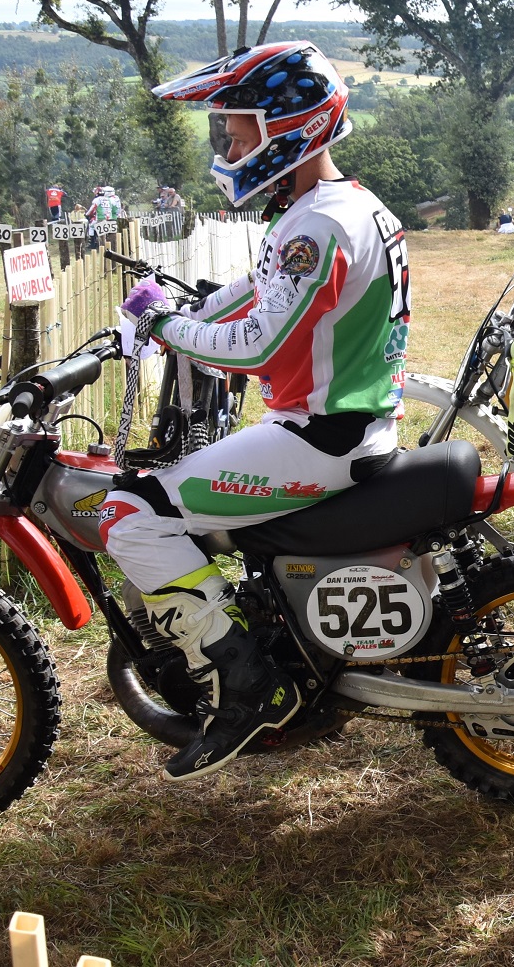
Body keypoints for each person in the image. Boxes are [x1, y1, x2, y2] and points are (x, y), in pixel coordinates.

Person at [101, 41, 410, 781]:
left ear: (287, 132)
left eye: (239, 137)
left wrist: (162, 327)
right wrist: (189, 309)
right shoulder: (340, 206)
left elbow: (254, 343)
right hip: (346, 422)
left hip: (321, 435)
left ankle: (247, 685)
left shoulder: (316, 226)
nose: (229, 152)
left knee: (130, 512)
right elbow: (257, 291)